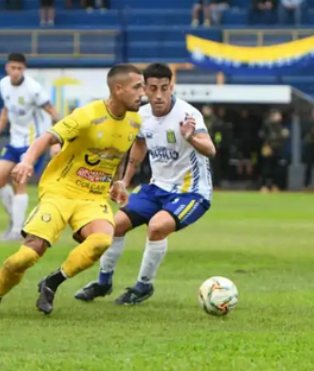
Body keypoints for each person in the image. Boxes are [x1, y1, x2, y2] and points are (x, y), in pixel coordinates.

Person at [0, 64, 145, 317]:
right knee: (26, 257)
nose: (143, 93)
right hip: (60, 191)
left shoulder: (134, 121)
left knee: (102, 240)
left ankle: (52, 283)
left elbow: (115, 156)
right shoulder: (87, 115)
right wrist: (27, 161)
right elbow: (47, 137)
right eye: (137, 87)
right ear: (118, 89)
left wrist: (117, 183)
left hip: (93, 197)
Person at [75, 63, 216, 305]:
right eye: (153, 88)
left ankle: (143, 286)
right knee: (114, 225)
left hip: (191, 192)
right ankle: (103, 282)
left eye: (164, 88)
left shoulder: (187, 115)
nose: (159, 95)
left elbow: (210, 149)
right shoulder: (141, 115)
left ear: (172, 87)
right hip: (156, 188)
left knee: (157, 227)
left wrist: (190, 136)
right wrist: (124, 181)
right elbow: (139, 146)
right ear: (144, 89)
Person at [0, 53, 60, 242]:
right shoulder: (3, 84)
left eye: (20, 68)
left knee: (19, 181)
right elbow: (6, 110)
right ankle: (16, 219)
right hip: (14, 140)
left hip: (32, 141)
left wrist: (56, 142)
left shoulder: (34, 89)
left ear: (24, 70)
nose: (16, 72)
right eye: (13, 68)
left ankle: (17, 231)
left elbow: (53, 112)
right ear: (7, 68)